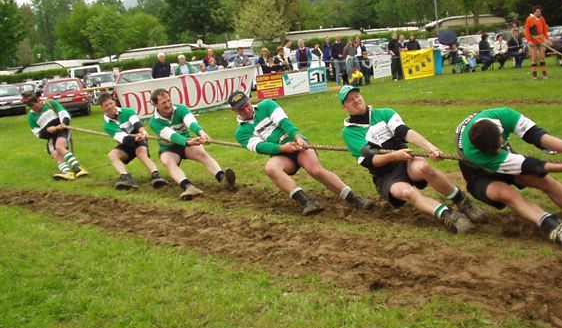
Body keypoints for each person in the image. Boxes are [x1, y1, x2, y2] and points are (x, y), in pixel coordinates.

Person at [455, 107, 562, 249]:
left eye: (499, 146)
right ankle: (552, 226)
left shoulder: (504, 115)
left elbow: (538, 136)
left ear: (500, 130)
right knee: (506, 194)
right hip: (478, 174)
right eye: (494, 150)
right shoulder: (473, 152)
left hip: (503, 156)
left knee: (538, 179)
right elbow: (527, 165)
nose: (497, 151)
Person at [339, 85, 486, 234]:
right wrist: (395, 156)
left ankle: (462, 201)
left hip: (406, 160)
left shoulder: (385, 113)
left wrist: (429, 147)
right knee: (407, 193)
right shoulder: (349, 132)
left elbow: (404, 131)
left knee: (422, 167)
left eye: (357, 96)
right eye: (350, 100)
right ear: (344, 108)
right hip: (385, 175)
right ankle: (448, 215)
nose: (355, 100)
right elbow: (369, 161)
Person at [229, 91, 373, 215]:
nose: (246, 110)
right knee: (270, 168)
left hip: (297, 143)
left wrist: (298, 138)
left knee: (315, 170)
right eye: (241, 109)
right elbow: (260, 147)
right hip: (280, 153)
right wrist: (282, 148)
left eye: (247, 105)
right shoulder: (241, 132)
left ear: (249, 100)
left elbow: (284, 122)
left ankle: (354, 199)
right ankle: (307, 202)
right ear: (234, 111)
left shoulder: (267, 105)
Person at [149, 88, 237, 200]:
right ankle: (188, 187)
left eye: (169, 100)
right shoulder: (154, 122)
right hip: (169, 149)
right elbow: (172, 136)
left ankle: (222, 178)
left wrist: (202, 134)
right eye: (163, 103)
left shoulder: (181, 109)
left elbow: (191, 123)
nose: (168, 104)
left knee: (201, 152)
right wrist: (188, 142)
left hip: (187, 143)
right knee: (167, 161)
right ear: (155, 105)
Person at [98, 93, 169, 190]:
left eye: (110, 103)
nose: (110, 107)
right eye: (106, 105)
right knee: (112, 155)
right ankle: (126, 178)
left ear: (114, 102)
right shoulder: (107, 125)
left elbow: (137, 124)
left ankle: (156, 175)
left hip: (140, 139)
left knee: (141, 153)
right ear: (102, 108)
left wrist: (143, 132)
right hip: (126, 143)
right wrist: (135, 138)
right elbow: (122, 138)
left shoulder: (128, 111)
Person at [25, 94, 89, 180]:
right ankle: (67, 173)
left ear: (39, 101)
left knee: (59, 146)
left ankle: (78, 168)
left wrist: (63, 123)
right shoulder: (31, 116)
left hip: (62, 130)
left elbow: (64, 114)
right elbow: (38, 133)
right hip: (51, 136)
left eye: (36, 106)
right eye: (33, 108)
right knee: (55, 153)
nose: (35, 109)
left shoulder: (51, 103)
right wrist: (48, 130)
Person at [524, 5, 550, 79]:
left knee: (542, 57)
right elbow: (527, 31)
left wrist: (547, 39)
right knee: (534, 57)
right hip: (533, 40)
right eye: (538, 11)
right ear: (534, 12)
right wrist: (529, 41)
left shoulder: (542, 18)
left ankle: (544, 74)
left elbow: (545, 30)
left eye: (540, 11)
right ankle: (534, 74)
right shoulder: (529, 19)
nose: (539, 13)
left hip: (541, 40)